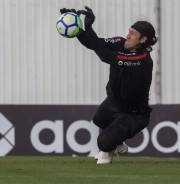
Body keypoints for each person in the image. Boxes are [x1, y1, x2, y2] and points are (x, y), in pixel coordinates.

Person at [60, 6, 157, 164]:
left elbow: (105, 56)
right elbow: (93, 43)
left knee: (103, 143)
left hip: (135, 114)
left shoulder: (142, 60)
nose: (127, 36)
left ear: (143, 40)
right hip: (115, 103)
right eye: (128, 31)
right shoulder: (121, 42)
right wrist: (76, 26)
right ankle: (118, 145)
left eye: (132, 34)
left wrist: (89, 27)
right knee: (99, 119)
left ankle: (106, 153)